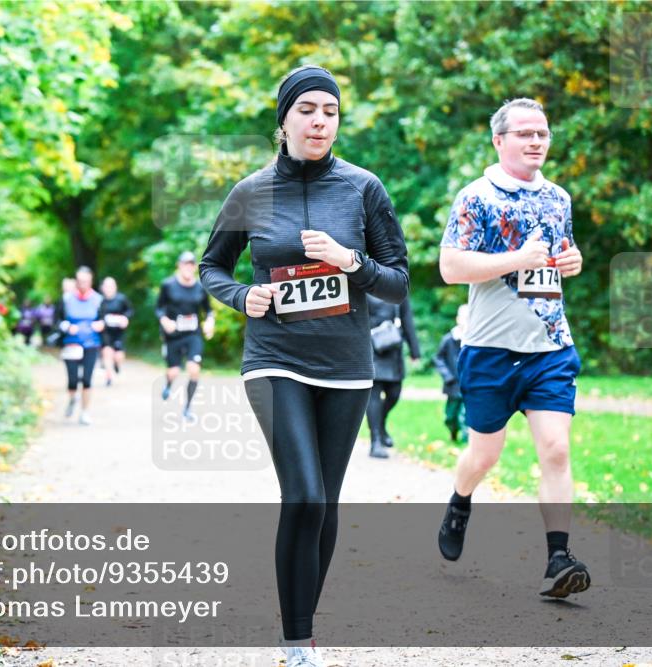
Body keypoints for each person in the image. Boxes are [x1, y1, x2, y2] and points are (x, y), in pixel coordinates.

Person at [200, 65, 408, 667]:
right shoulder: (251, 191)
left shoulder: (364, 188)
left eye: (330, 112)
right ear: (284, 120)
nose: (320, 121)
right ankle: (298, 645)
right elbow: (213, 266)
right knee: (304, 497)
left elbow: (397, 282)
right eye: (307, 110)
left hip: (346, 363)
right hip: (275, 357)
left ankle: (300, 628)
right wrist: (244, 296)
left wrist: (351, 261)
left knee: (327, 503)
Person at [437, 98, 588, 599]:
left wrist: (572, 261)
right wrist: (515, 258)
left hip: (550, 346)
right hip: (490, 350)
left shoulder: (559, 198)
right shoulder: (475, 197)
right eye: (524, 133)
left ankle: (558, 559)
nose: (536, 141)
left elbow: (558, 257)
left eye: (542, 133)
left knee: (557, 449)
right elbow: (451, 268)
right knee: (484, 454)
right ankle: (460, 501)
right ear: (498, 141)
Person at [156, 251, 214, 422]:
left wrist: (210, 322)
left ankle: (187, 409)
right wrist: (164, 320)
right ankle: (168, 384)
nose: (188, 267)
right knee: (173, 371)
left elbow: (208, 310)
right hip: (173, 334)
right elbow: (159, 308)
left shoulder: (200, 287)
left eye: (191, 264)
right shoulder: (168, 285)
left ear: (194, 267)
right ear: (179, 266)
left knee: (194, 370)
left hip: (193, 334)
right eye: (184, 264)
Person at [365, 294, 421, 458]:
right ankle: (375, 441)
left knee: (394, 394)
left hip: (393, 348)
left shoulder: (398, 287)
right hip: (370, 349)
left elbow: (407, 320)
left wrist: (415, 351)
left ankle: (381, 425)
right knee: (373, 398)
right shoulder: (363, 286)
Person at [54, 267, 104, 426]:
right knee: (73, 380)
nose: (83, 284)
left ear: (91, 281)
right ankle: (72, 399)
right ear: (76, 281)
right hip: (71, 344)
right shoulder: (66, 299)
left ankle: (84, 412)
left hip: (91, 343)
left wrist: (101, 324)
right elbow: (57, 321)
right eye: (80, 281)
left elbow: (104, 320)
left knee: (87, 380)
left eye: (86, 281)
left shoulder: (98, 299)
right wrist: (68, 327)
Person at [432, 304, 469, 443]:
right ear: (458, 319)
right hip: (453, 384)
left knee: (466, 415)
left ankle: (467, 440)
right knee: (450, 415)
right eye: (464, 318)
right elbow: (438, 358)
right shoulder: (448, 339)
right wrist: (447, 376)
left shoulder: (474, 340)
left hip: (468, 384)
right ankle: (453, 431)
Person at [98, 277, 133, 386]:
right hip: (106, 331)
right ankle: (108, 377)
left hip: (119, 332)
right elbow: (96, 315)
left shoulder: (121, 299)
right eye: (106, 286)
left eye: (111, 286)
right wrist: (100, 322)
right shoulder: (100, 300)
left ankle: (116, 364)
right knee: (107, 352)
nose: (109, 288)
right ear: (103, 288)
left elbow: (130, 311)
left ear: (115, 287)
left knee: (118, 356)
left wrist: (125, 318)